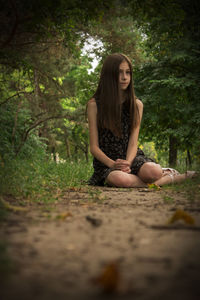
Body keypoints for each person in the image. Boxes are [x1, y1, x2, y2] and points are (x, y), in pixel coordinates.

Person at [87, 53, 197, 188]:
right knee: (120, 179)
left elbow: (133, 142)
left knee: (153, 171)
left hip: (132, 158)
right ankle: (175, 178)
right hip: (107, 163)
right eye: (119, 72)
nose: (124, 77)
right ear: (109, 75)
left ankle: (158, 173)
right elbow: (94, 147)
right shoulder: (94, 105)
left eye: (128, 72)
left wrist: (128, 163)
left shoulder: (136, 105)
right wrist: (113, 164)